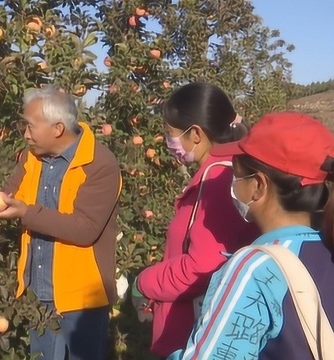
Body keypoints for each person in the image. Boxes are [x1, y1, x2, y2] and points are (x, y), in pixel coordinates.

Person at [168, 111, 334, 359]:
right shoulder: (326, 248)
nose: (232, 184)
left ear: (258, 185)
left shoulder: (254, 269)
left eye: (236, 174)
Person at [0, 86, 122, 360]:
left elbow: (84, 228)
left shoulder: (99, 164)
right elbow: (10, 198)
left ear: (57, 128)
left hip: (82, 300)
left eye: (30, 126)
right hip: (38, 293)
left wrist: (25, 212)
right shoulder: (32, 157)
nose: (25, 134)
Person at [130, 82, 260, 358]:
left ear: (196, 134)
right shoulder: (222, 172)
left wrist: (144, 282)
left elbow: (203, 266)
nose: (168, 141)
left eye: (170, 133)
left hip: (193, 337)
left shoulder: (217, 180)